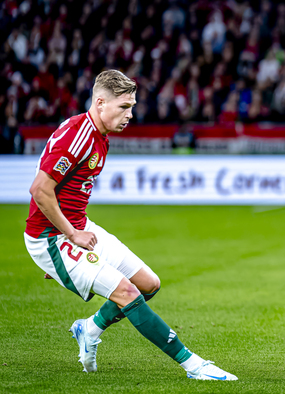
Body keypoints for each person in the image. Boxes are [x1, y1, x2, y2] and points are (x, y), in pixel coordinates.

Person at [23, 70, 237, 381]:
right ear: (100, 103)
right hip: (53, 237)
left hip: (78, 229)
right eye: (124, 107)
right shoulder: (77, 135)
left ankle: (90, 328)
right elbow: (39, 190)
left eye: (132, 106)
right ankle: (194, 365)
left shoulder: (100, 136)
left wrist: (76, 236)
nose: (130, 115)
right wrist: (69, 239)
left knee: (149, 284)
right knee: (127, 292)